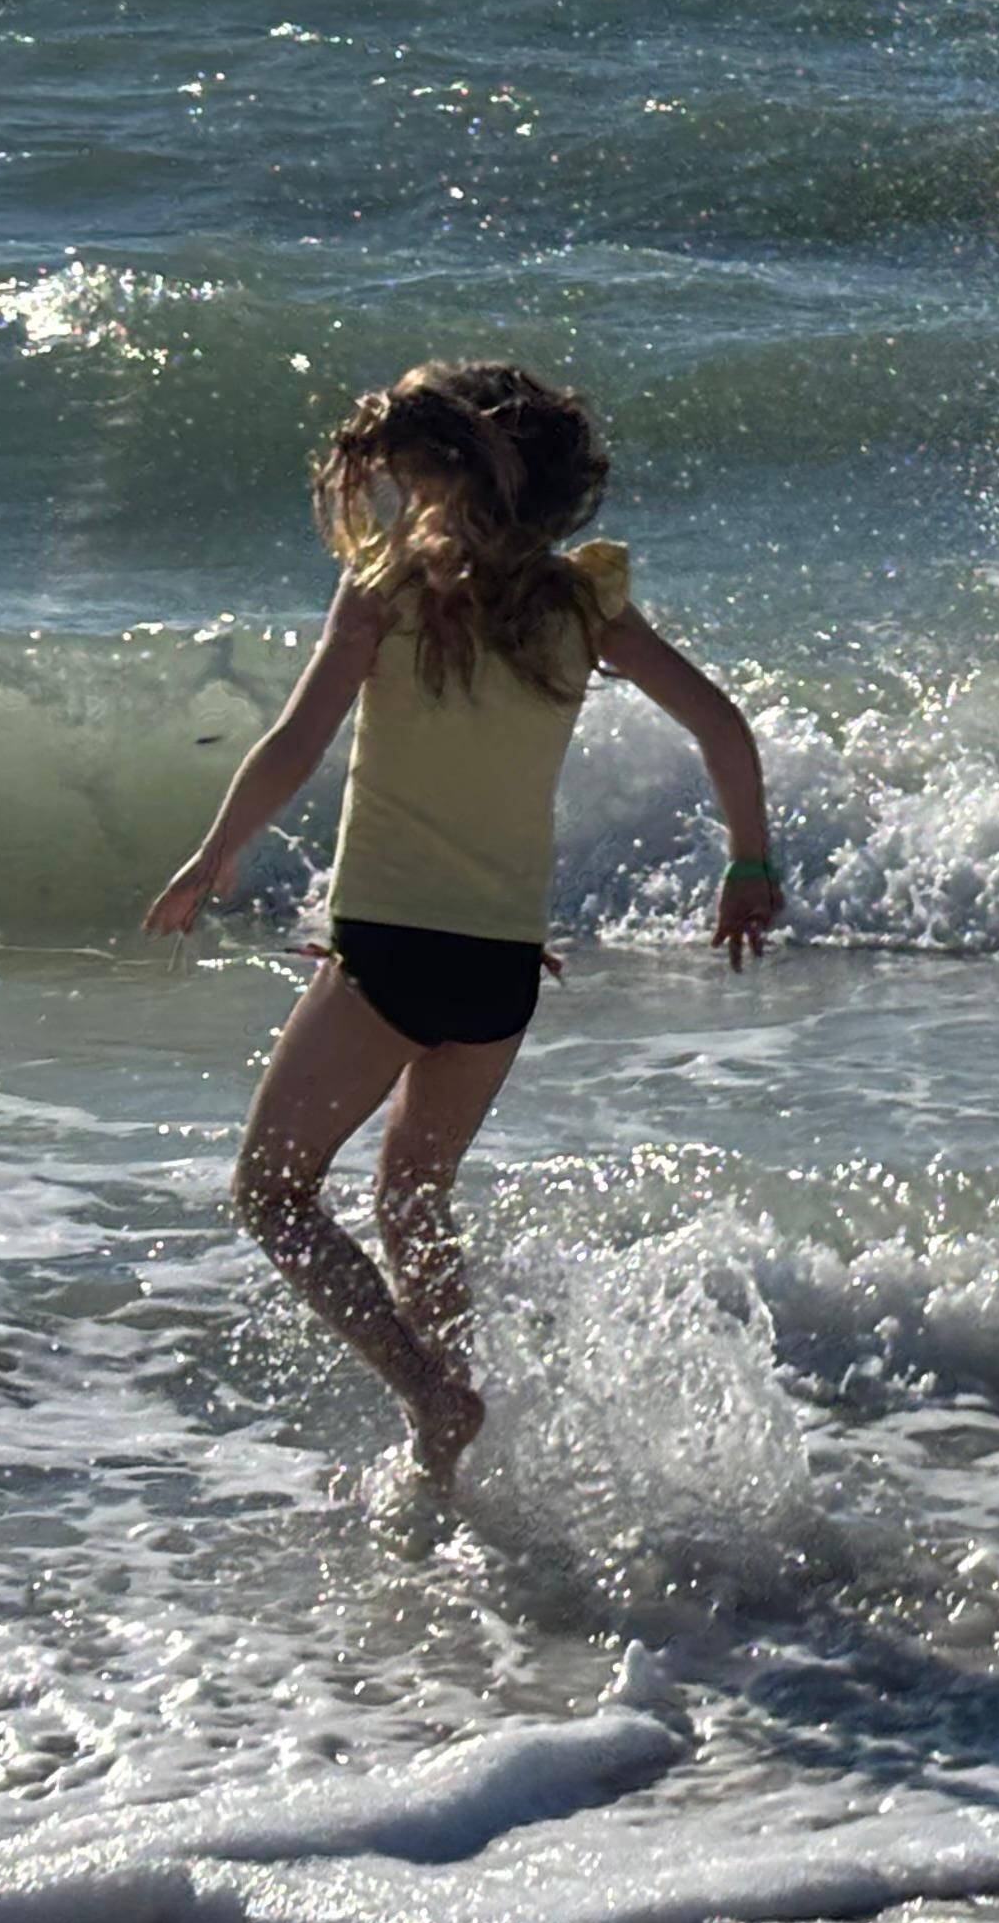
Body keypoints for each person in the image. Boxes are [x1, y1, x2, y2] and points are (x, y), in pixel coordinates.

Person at [141, 361, 780, 1483]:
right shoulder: (585, 606)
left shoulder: (386, 590)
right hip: (501, 970)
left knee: (272, 1194)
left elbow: (295, 743)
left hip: (391, 950)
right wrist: (748, 864)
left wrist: (216, 850)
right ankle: (450, 1434)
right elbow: (723, 726)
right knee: (412, 1194)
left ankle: (429, 1393)